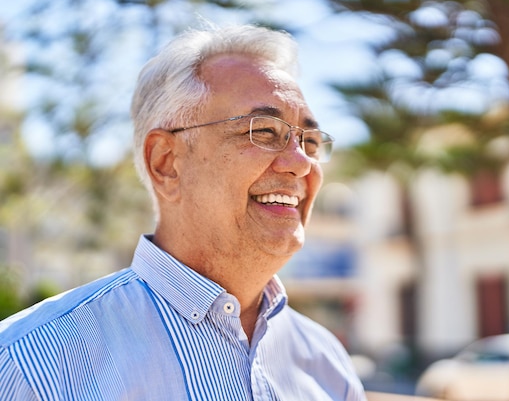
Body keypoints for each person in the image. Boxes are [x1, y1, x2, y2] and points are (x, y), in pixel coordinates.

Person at [0, 23, 366, 400]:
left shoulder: (327, 363)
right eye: (265, 132)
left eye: (309, 141)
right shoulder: (31, 367)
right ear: (166, 163)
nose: (302, 164)